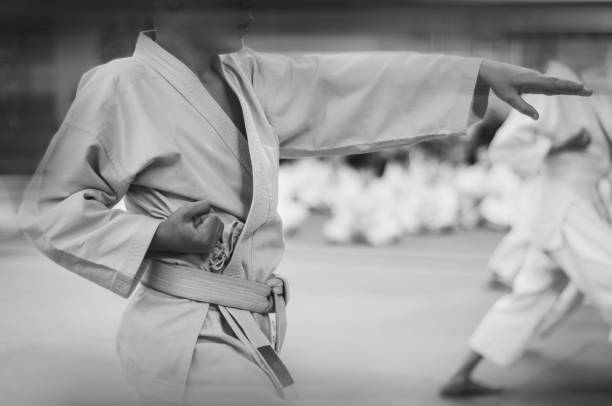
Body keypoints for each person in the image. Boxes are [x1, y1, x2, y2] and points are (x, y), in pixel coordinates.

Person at [19, 1, 592, 404]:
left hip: (245, 324)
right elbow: (50, 206)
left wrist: (475, 73)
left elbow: (338, 84)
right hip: (184, 331)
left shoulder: (247, 79)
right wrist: (154, 237)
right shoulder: (120, 84)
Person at [440, 33, 612, 398]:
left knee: (529, 297)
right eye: (596, 41)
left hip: (567, 210)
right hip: (567, 213)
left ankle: (461, 375)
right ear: (570, 44)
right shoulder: (552, 84)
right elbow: (505, 148)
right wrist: (559, 145)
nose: (603, 48)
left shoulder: (584, 88)